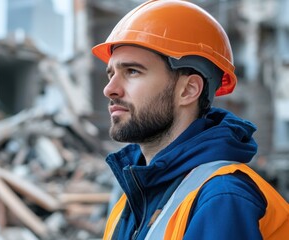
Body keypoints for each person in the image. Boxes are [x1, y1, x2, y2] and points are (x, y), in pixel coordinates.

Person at [91, 0, 289, 239]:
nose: (110, 89)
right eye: (111, 74)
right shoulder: (132, 199)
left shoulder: (222, 198)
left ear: (188, 90)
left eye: (132, 71)